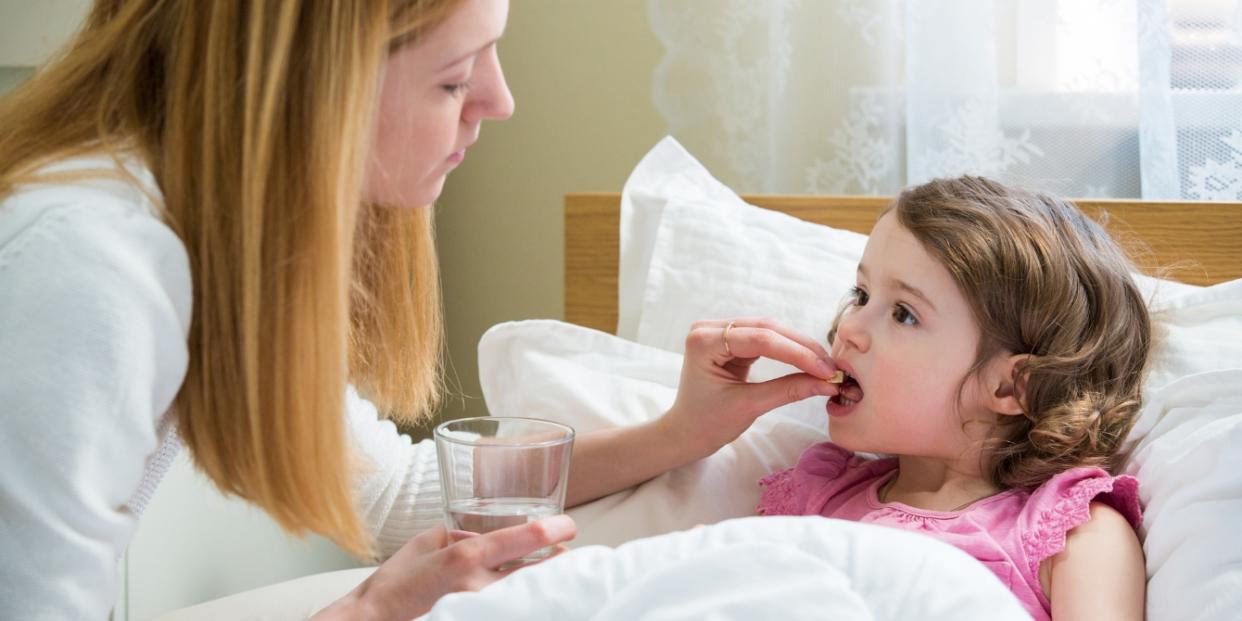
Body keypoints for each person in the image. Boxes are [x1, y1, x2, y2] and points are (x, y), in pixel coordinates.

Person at [0, 0, 842, 619]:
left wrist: (678, 434)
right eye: (452, 76)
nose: (500, 101)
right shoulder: (86, 266)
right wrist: (362, 613)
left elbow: (398, 493)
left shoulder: (204, 237)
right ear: (307, 87)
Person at [753, 176, 1149, 620]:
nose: (848, 328)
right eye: (861, 295)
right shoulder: (818, 499)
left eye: (904, 313)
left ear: (1011, 388)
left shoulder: (1070, 536)